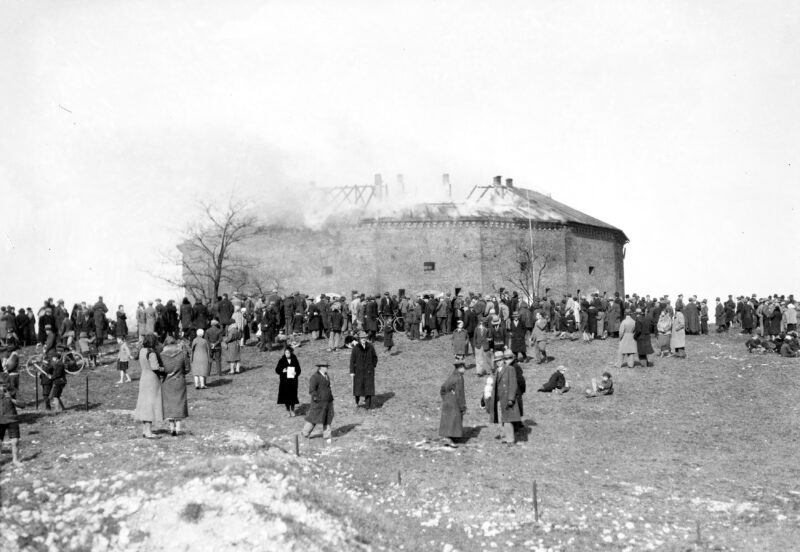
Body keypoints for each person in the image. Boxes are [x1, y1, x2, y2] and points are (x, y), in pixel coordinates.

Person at [485, 350, 520, 445]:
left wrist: (511, 398)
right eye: (496, 361)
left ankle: (510, 440)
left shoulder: (510, 369)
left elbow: (513, 384)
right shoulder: (496, 371)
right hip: (500, 399)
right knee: (502, 419)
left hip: (507, 398)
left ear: (503, 360)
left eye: (500, 360)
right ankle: (504, 437)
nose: (498, 362)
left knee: (508, 420)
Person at [134, 335, 165, 439]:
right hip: (152, 380)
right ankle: (148, 432)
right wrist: (165, 369)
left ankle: (145, 430)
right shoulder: (151, 353)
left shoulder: (142, 350)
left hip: (144, 377)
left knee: (144, 404)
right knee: (150, 405)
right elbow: (155, 367)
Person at [161, 337, 189, 436]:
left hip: (167, 382)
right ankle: (178, 428)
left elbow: (160, 369)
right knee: (179, 403)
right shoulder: (182, 353)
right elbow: (187, 368)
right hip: (179, 380)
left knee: (169, 404)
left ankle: (172, 427)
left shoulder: (162, 355)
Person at [302, 362, 334, 442]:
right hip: (318, 403)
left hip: (328, 402)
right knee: (313, 419)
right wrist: (317, 398)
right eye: (325, 367)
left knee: (327, 418)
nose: (327, 368)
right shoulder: (315, 377)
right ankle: (305, 433)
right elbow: (312, 390)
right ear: (320, 367)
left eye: (327, 366)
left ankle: (327, 436)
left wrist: (330, 398)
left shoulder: (326, 376)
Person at [439, 360, 467, 446]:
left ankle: (448, 436)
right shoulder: (459, 378)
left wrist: (445, 398)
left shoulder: (452, 376)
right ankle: (449, 438)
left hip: (448, 400)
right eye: (463, 367)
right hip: (454, 402)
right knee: (454, 419)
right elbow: (460, 394)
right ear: (460, 368)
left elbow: (443, 388)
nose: (465, 369)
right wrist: (463, 407)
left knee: (448, 419)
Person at [350, 331, 378, 409]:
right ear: (359, 339)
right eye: (362, 338)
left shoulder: (370, 347)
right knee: (358, 388)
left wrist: (373, 366)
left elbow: (375, 357)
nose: (363, 339)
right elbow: (352, 360)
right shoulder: (356, 348)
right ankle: (357, 401)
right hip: (358, 371)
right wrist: (352, 371)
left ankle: (368, 404)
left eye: (364, 338)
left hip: (369, 371)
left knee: (368, 388)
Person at [0, 375, 21, 465]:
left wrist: (12, 399)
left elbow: (23, 404)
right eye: (1, 383)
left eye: (5, 383)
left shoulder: (13, 391)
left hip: (12, 419)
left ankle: (15, 460)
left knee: (15, 441)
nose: (3, 385)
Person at [275, 347, 301, 417]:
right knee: (286, 396)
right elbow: (277, 369)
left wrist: (296, 373)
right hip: (285, 381)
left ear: (291, 353)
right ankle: (288, 410)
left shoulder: (295, 360)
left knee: (292, 396)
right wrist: (282, 371)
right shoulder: (282, 360)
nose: (287, 354)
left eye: (288, 353)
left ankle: (292, 410)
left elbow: (299, 370)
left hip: (293, 381)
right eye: (286, 353)